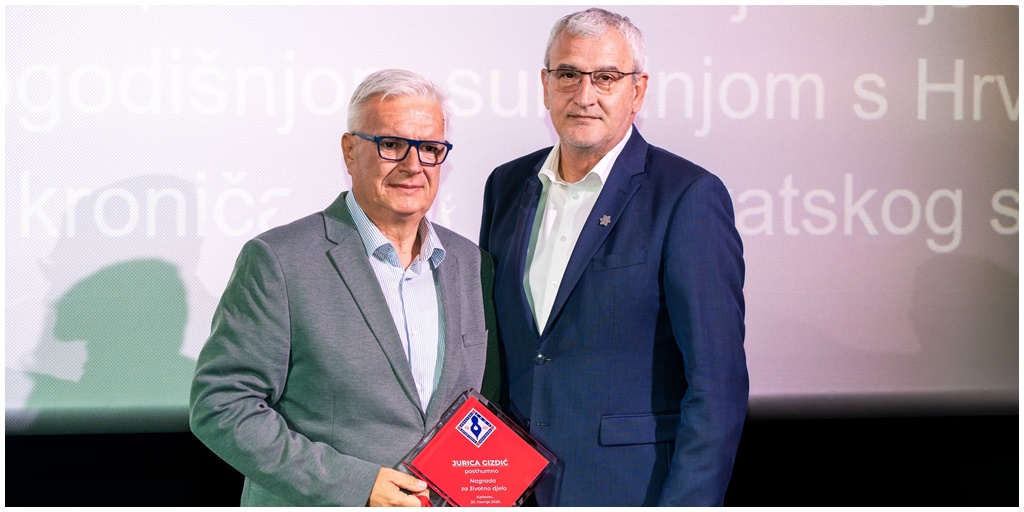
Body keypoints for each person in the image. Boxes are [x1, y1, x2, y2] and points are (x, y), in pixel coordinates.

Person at [190, 69, 499, 507]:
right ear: (350, 151)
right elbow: (222, 404)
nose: (413, 165)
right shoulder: (279, 261)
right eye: (391, 144)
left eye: (430, 148)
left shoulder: (470, 263)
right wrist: (357, 485)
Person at [479, 8, 748, 506]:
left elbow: (718, 385)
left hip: (628, 490)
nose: (584, 95)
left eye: (605, 77)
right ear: (545, 84)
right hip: (512, 491)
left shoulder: (687, 196)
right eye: (568, 74)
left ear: (637, 91)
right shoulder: (506, 185)